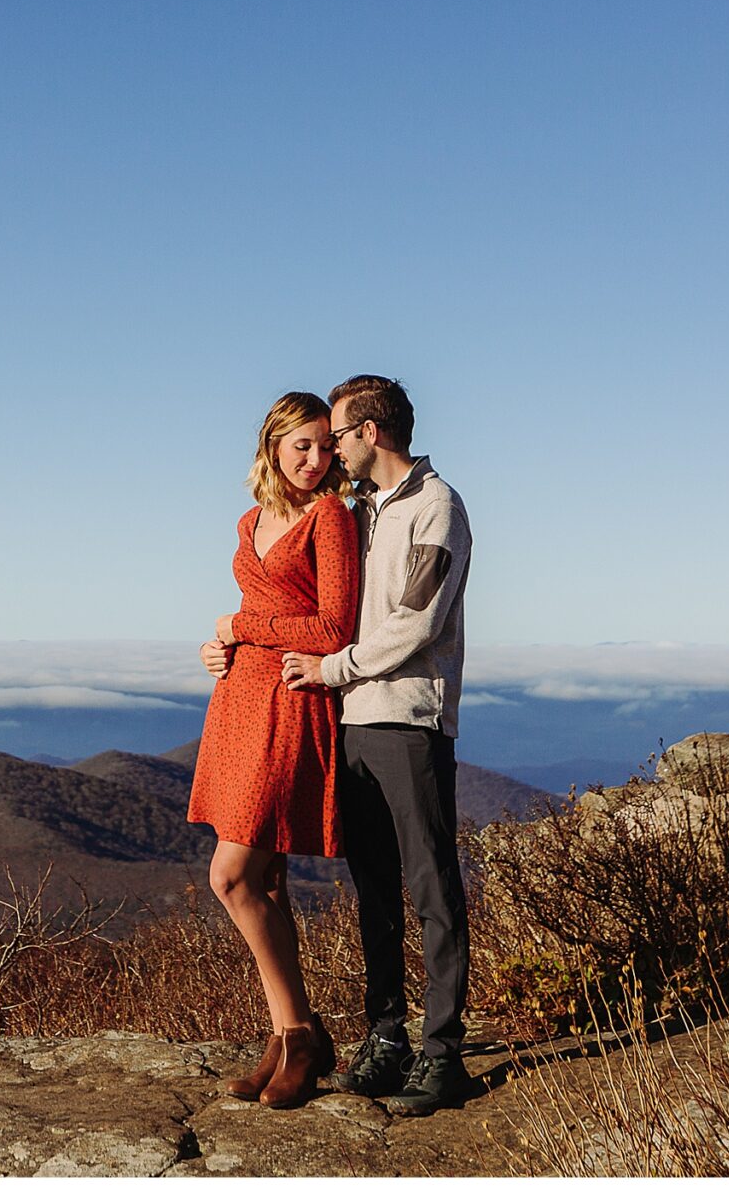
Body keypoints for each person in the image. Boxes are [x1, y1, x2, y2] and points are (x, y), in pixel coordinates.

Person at [280, 374, 475, 1116]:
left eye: (338, 434)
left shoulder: (437, 507)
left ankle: (444, 1051)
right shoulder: (364, 513)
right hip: (355, 720)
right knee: (373, 888)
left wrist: (333, 669)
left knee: (431, 886)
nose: (331, 447)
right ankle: (387, 1034)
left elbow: (417, 622)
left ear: (373, 433)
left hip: (411, 720)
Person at [187, 391, 361, 1109]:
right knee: (265, 881)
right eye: (304, 446)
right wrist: (218, 643)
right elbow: (254, 621)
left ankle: (300, 1033)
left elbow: (334, 624)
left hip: (293, 698)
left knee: (230, 876)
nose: (318, 460)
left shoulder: (332, 517)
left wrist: (241, 622)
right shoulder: (251, 520)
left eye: (326, 447)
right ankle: (286, 1035)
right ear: (272, 443)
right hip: (238, 698)